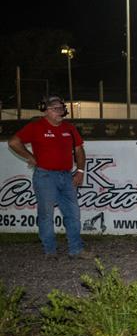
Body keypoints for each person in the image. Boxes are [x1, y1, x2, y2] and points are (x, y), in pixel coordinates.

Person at [7, 95, 89, 259]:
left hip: (67, 176)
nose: (60, 111)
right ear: (46, 110)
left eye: (61, 107)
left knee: (73, 213)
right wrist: (30, 157)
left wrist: (80, 171)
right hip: (45, 176)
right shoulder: (36, 126)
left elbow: (79, 150)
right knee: (46, 215)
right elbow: (13, 142)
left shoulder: (69, 128)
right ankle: (50, 251)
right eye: (56, 108)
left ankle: (76, 249)